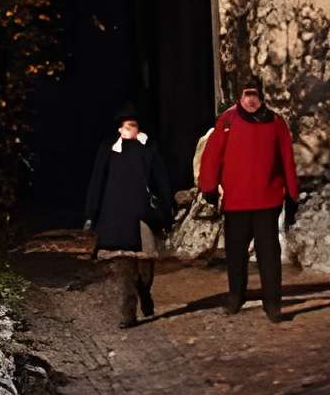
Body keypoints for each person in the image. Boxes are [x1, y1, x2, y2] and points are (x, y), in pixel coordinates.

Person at [195, 78, 299, 321]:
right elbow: (212, 155)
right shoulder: (227, 121)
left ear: (261, 97)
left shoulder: (276, 122)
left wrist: (292, 193)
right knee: (236, 254)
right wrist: (208, 187)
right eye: (246, 95)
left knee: (268, 255)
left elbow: (287, 159)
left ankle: (272, 303)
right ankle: (236, 296)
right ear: (240, 97)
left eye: (254, 95)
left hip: (267, 201)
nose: (250, 100)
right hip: (236, 202)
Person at [83, 108, 177, 326]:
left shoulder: (149, 148)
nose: (131, 129)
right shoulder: (109, 149)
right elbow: (98, 181)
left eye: (134, 125)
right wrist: (91, 213)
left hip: (143, 215)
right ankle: (128, 314)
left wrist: (166, 211)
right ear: (120, 129)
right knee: (124, 266)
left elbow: (161, 181)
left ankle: (144, 291)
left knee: (146, 262)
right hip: (116, 216)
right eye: (127, 126)